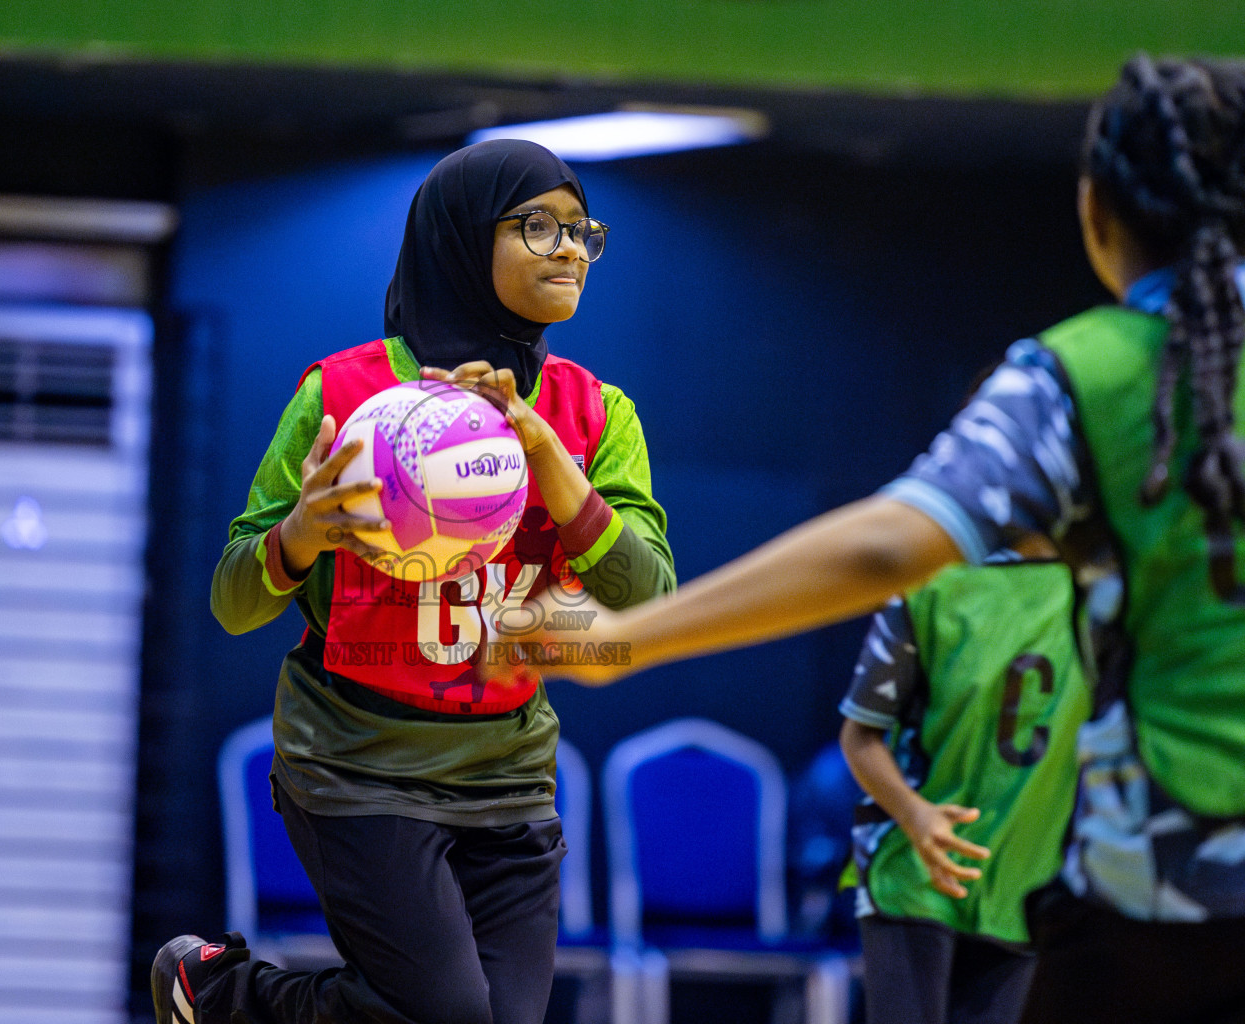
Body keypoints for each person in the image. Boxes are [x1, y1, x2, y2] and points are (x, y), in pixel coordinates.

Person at [489, 53, 1245, 1022]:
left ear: (1096, 212)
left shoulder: (1089, 377)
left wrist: (618, 638)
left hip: (1157, 917)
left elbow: (888, 544)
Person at [151, 138, 675, 1024]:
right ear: (463, 238)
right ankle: (226, 991)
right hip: (355, 764)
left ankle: (222, 1000)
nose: (570, 250)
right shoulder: (342, 394)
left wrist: (552, 465)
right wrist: (303, 532)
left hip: (509, 771)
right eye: (538, 225)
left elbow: (650, 603)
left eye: (582, 230)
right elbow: (234, 600)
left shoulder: (597, 412)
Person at [838, 549, 1090, 1024]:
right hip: (912, 871)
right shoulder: (932, 582)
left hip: (1025, 878)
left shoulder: (1101, 595)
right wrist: (914, 813)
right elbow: (859, 735)